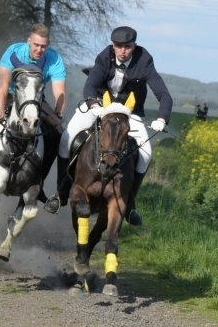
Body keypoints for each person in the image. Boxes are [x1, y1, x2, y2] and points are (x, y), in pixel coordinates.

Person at [45, 26, 172, 226]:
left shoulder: (145, 60)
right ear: (113, 46)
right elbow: (90, 85)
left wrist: (162, 118)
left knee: (146, 154)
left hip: (129, 113)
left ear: (134, 46)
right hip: (99, 107)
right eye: (119, 46)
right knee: (65, 139)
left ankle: (129, 204)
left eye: (127, 47)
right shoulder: (104, 57)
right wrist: (93, 105)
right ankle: (61, 193)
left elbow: (164, 95)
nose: (123, 51)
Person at [0, 23, 67, 199]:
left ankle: (40, 183)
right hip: (10, 95)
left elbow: (60, 92)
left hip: (34, 100)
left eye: (43, 46)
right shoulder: (14, 51)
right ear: (29, 41)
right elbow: (3, 84)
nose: (39, 49)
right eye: (36, 45)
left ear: (48, 45)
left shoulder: (55, 59)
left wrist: (57, 115)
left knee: (59, 135)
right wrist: (0, 106)